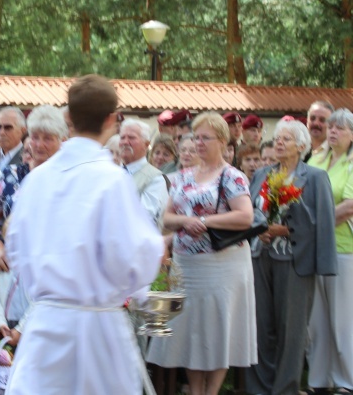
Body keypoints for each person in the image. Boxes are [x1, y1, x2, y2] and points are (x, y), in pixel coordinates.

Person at [4, 74, 163, 395]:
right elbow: (137, 257)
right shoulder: (111, 180)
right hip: (96, 331)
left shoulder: (37, 179)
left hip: (45, 325)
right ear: (111, 120)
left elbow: (16, 247)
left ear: (69, 118)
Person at [148, 112, 257, 395]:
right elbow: (166, 218)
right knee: (191, 332)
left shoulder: (232, 176)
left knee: (218, 330)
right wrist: (186, 222)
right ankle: (196, 389)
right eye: (195, 137)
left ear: (222, 140)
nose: (198, 143)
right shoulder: (183, 176)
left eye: (205, 138)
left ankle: (212, 391)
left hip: (221, 266)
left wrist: (206, 222)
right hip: (187, 266)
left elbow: (245, 217)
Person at [246, 120, 337, 395]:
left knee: (292, 332)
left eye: (286, 138)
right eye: (277, 138)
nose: (279, 142)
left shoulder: (316, 177)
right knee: (260, 328)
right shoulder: (262, 174)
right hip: (260, 258)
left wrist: (285, 229)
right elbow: (249, 211)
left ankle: (285, 389)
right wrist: (258, 229)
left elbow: (323, 221)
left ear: (302, 146)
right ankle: (259, 389)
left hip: (295, 261)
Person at [0, 105, 67, 333]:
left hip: (50, 279)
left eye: (48, 138)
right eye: (35, 137)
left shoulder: (67, 180)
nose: (39, 145)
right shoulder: (13, 175)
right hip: (9, 277)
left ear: (62, 140)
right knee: (3, 346)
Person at [306, 109, 353, 394]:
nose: (333, 131)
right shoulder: (317, 159)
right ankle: (319, 379)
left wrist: (313, 223)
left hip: (343, 249)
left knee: (342, 318)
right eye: (331, 127)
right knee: (317, 319)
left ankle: (346, 380)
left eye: (340, 128)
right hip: (315, 247)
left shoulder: (351, 163)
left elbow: (349, 206)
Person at [119, 119, 169, 226]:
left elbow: (144, 218)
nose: (125, 142)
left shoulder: (155, 179)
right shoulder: (113, 172)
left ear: (146, 144)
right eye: (122, 137)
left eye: (131, 138)